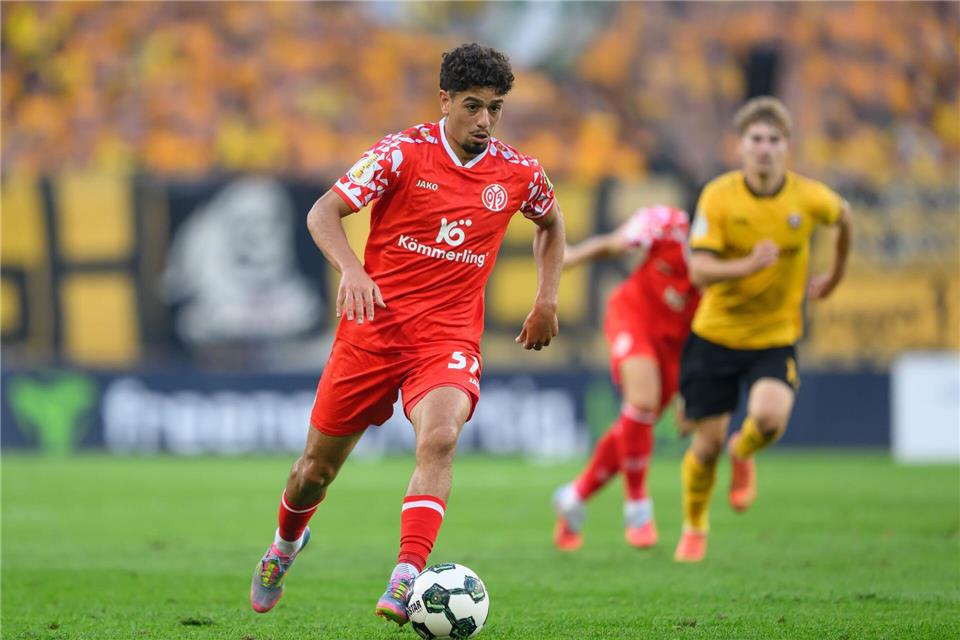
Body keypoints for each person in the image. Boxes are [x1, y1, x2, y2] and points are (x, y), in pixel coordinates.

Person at [249, 43, 565, 625]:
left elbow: (550, 221)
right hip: (372, 332)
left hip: (446, 338)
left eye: (495, 109)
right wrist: (351, 268)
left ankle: (406, 576)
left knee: (440, 438)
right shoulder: (401, 154)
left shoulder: (519, 172)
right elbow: (323, 212)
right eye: (473, 106)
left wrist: (547, 298)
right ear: (444, 100)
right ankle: (284, 546)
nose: (484, 121)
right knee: (313, 471)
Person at [673, 96, 853, 563]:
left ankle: (745, 448)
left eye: (774, 140)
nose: (765, 148)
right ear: (741, 146)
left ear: (787, 147)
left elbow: (845, 217)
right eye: (756, 139)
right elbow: (698, 272)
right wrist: (748, 264)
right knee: (705, 447)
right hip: (716, 334)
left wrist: (833, 276)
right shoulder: (718, 195)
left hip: (775, 335)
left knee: (770, 419)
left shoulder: (808, 197)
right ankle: (694, 526)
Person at [552, 205, 700, 551]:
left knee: (635, 423)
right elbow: (616, 244)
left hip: (676, 345)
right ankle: (637, 508)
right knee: (642, 403)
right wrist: (574, 257)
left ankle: (573, 498)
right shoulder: (667, 224)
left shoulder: (731, 262)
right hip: (633, 317)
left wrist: (691, 393)